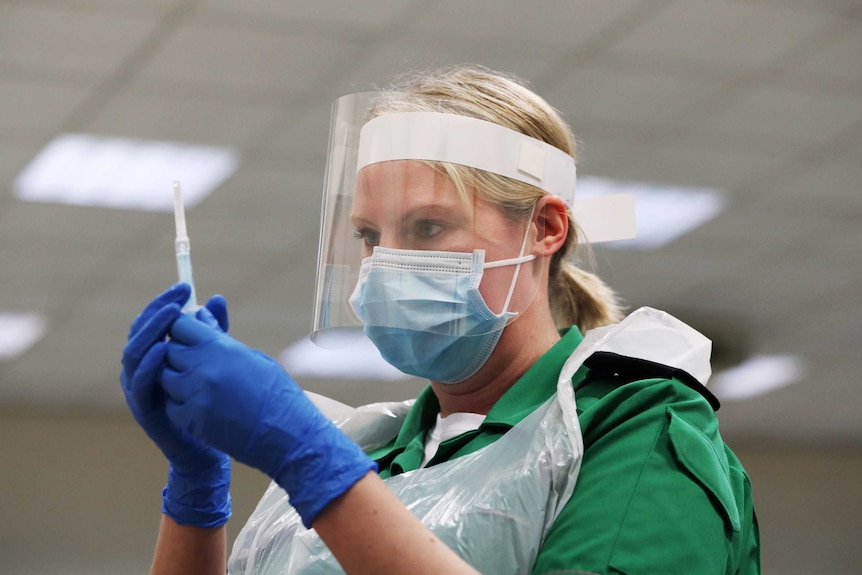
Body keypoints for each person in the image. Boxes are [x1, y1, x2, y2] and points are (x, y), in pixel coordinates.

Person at [120, 65, 760, 575]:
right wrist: (196, 492)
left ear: (543, 228)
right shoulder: (372, 451)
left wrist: (312, 465)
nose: (387, 264)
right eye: (370, 236)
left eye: (428, 227)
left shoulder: (631, 424)